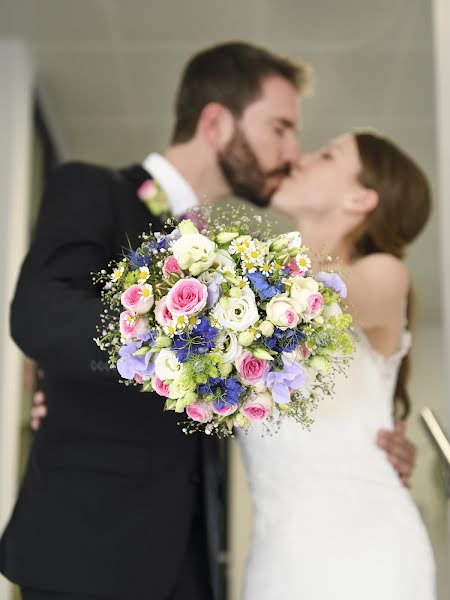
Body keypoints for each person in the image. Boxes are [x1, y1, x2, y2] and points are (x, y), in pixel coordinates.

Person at [0, 40, 415, 599]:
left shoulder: (241, 261)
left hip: (196, 562)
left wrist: (376, 445)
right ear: (217, 123)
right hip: (91, 546)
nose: (293, 152)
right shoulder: (94, 189)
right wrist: (90, 378)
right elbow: (43, 314)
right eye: (279, 128)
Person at [239, 131, 435, 599]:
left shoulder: (385, 273)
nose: (303, 159)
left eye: (327, 155)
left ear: (361, 198)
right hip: (277, 549)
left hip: (365, 544)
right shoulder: (245, 302)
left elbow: (334, 294)